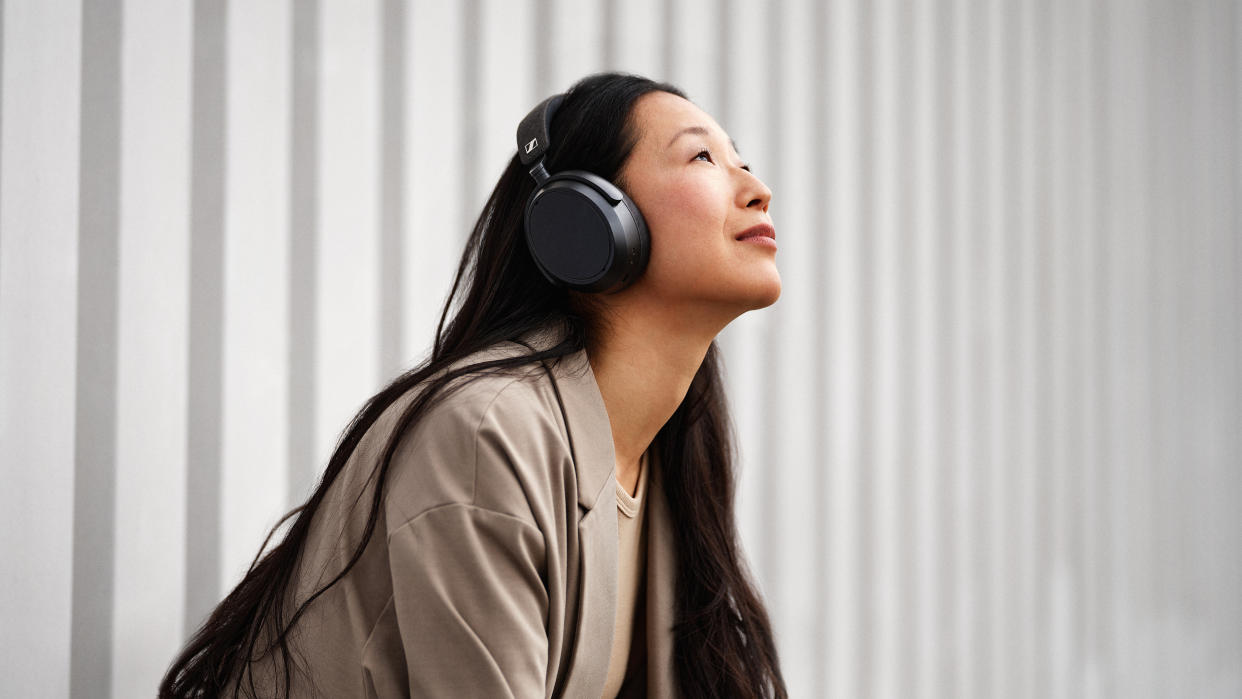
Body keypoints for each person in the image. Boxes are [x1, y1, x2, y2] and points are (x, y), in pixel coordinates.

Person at [159, 72, 788, 699]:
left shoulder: (668, 453)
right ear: (587, 218)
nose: (758, 190)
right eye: (703, 156)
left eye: (744, 163)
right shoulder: (486, 434)